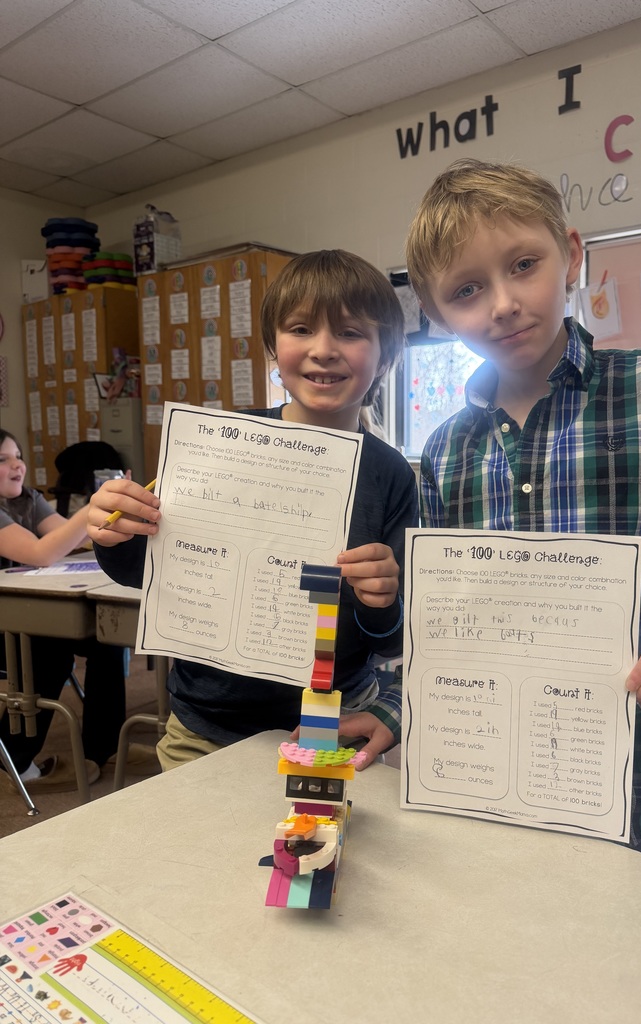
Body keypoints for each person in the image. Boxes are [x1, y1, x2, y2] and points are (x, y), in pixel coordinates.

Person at [404, 158, 641, 854]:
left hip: (625, 756)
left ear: (570, 256)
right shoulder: (446, 448)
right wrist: (399, 705)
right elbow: (436, 619)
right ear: (436, 311)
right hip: (482, 755)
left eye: (523, 265)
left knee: (611, 941)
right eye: (468, 290)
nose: (503, 303)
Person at [88, 249, 419, 770]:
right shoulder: (221, 444)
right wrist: (114, 532)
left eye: (352, 333)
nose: (324, 350)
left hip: (335, 723)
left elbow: (394, 636)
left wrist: (382, 599)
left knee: (321, 849)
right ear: (272, 347)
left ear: (387, 355)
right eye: (301, 328)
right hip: (205, 725)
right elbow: (144, 571)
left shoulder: (390, 474)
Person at [0, 429, 127, 791]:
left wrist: (113, 511)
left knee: (105, 638)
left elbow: (78, 537)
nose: (17, 465)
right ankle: (15, 757)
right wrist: (91, 507)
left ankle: (102, 749)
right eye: (3, 459)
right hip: (8, 626)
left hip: (22, 614)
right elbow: (42, 553)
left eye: (18, 455)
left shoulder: (28, 499)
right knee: (49, 652)